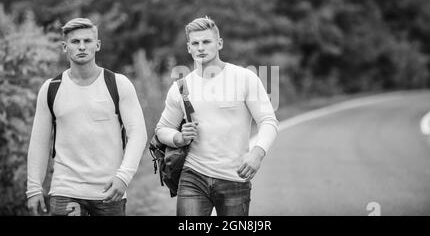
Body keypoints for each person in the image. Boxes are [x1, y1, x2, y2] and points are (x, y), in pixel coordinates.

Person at [155, 16, 278, 216]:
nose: (201, 47)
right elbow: (162, 130)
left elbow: (268, 121)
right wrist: (178, 137)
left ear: (219, 43)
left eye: (206, 41)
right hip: (193, 176)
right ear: (189, 48)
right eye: (195, 43)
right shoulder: (181, 87)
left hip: (234, 177)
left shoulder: (244, 78)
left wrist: (257, 154)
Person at [26, 18, 147, 216]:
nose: (82, 46)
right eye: (75, 42)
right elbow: (39, 143)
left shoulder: (118, 84)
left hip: (109, 191)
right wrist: (33, 188)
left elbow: (138, 134)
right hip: (65, 190)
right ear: (65, 47)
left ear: (97, 45)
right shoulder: (51, 89)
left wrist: (123, 177)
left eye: (87, 41)